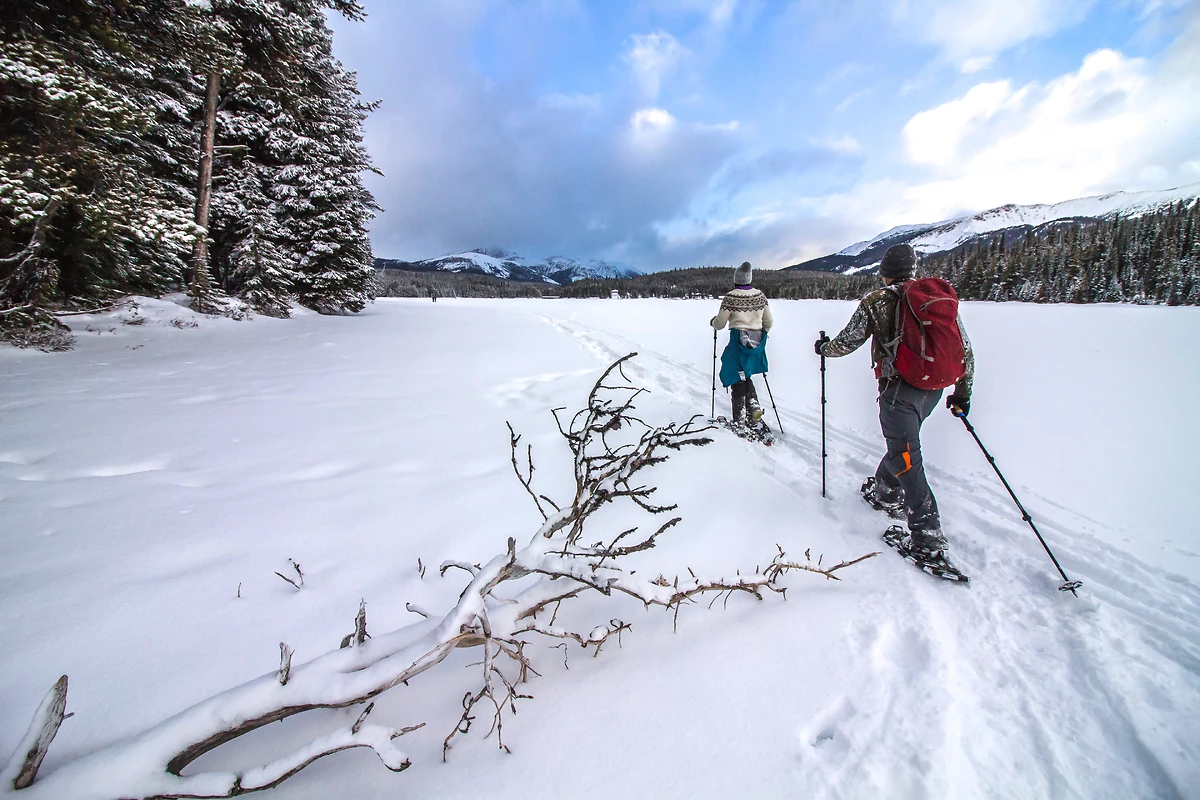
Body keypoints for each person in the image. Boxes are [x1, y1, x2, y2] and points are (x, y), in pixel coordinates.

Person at [815, 243, 973, 557]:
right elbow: (964, 351)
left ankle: (927, 537)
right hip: (933, 389)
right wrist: (962, 393)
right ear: (912, 270)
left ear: (884, 272)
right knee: (904, 446)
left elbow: (847, 342)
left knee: (906, 458)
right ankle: (885, 492)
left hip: (898, 391)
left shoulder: (877, 300)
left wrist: (823, 349)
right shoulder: (933, 300)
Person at [711, 261, 773, 425]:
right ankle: (753, 408)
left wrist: (713, 322)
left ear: (736, 279)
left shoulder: (731, 297)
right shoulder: (760, 296)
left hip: (738, 342)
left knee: (734, 374)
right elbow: (769, 322)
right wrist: (760, 335)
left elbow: (720, 324)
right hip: (757, 342)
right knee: (746, 374)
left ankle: (739, 419)